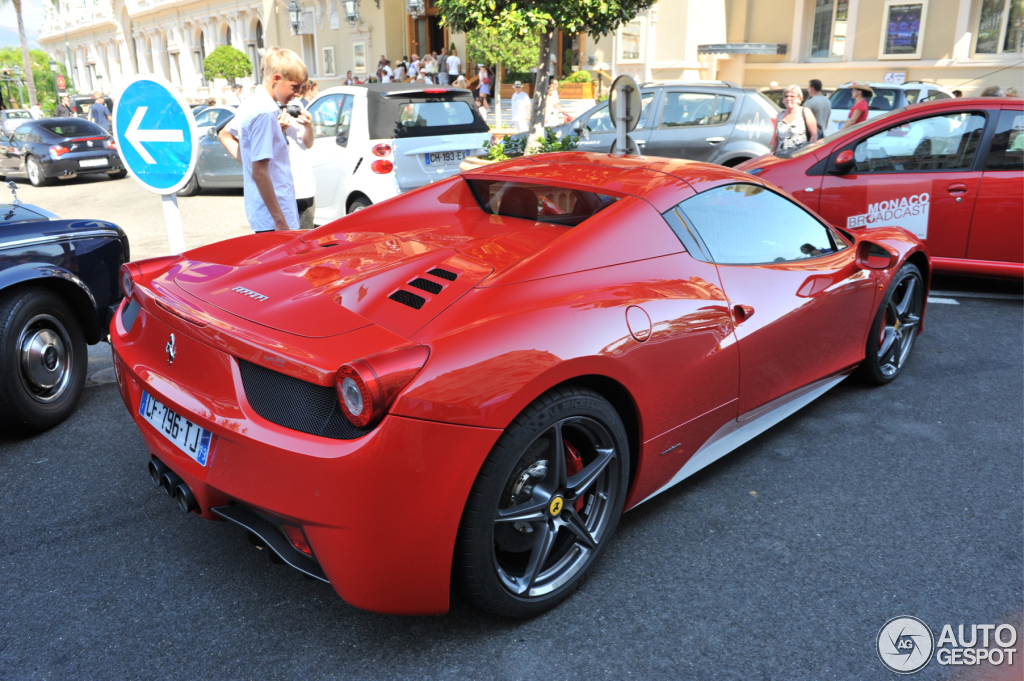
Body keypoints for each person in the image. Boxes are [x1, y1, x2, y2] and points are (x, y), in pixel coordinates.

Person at [221, 46, 308, 233]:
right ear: (276, 79)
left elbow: (225, 135)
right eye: (294, 86)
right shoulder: (264, 113)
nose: (298, 94)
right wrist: (280, 220)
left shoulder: (251, 104)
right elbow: (259, 173)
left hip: (266, 214)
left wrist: (249, 163)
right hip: (274, 219)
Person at [770, 85, 818, 153]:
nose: (788, 98)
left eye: (792, 96)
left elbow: (814, 135)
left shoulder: (805, 112)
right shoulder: (780, 115)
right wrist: (771, 155)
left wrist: (807, 153)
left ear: (799, 99)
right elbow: (775, 139)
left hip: (799, 157)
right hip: (781, 157)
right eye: (786, 96)